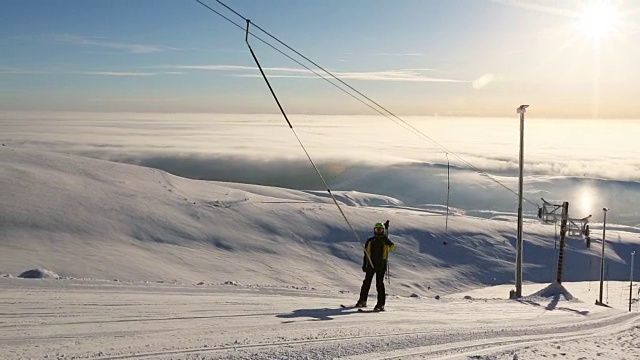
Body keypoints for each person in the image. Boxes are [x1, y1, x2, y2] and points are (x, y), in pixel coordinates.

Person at [356, 222, 396, 311]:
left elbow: (393, 248)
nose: (378, 231)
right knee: (366, 283)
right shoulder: (370, 241)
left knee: (379, 284)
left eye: (380, 230)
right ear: (374, 230)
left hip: (381, 266)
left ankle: (380, 304)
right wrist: (365, 264)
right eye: (377, 230)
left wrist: (387, 240)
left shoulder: (385, 241)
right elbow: (366, 254)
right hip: (371, 265)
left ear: (383, 230)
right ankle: (362, 300)